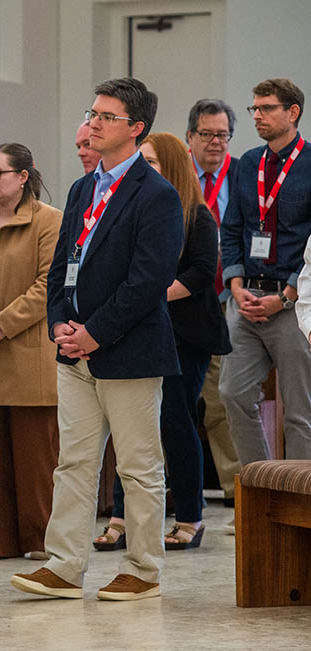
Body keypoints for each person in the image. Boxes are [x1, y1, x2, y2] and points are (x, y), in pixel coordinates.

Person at [10, 77, 183, 601]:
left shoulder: (156, 194)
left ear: (136, 128)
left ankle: (144, 568)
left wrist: (95, 333)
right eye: (93, 113)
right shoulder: (83, 187)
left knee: (137, 465)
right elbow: (62, 262)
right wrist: (60, 323)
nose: (93, 123)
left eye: (107, 116)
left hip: (128, 349)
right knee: (75, 462)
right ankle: (64, 564)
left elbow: (148, 280)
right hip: (74, 347)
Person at [94, 133, 231, 552]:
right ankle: (121, 515)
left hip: (186, 334)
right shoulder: (137, 211)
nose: (144, 168)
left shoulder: (196, 215)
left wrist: (148, 293)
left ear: (170, 165)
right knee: (130, 425)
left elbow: (201, 273)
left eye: (151, 162)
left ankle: (190, 515)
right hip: (144, 327)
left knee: (175, 421)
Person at [0, 143, 62, 561]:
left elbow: (47, 285)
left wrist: (1, 324)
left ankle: (39, 540)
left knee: (34, 455)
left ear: (24, 176)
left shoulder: (49, 221)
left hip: (26, 350)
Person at [219, 78, 311, 466]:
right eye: (254, 108)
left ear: (292, 113)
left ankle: (302, 505)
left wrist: (286, 295)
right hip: (246, 299)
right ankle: (262, 487)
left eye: (267, 108)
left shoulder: (309, 164)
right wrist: (236, 284)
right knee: (232, 394)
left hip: (291, 303)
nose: (257, 115)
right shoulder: (248, 164)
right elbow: (232, 226)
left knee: (300, 411)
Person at [185, 98, 242, 511]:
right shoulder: (174, 175)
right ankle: (175, 488)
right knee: (176, 400)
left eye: (222, 134)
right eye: (207, 134)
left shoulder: (241, 175)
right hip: (182, 300)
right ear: (190, 136)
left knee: (221, 398)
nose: (215, 142)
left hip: (227, 299)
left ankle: (236, 489)